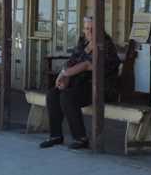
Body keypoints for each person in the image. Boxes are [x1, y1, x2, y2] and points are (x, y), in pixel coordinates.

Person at [39, 16, 120, 150]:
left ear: (100, 30)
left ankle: (81, 138)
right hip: (80, 84)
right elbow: (72, 61)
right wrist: (64, 77)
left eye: (92, 29)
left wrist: (66, 74)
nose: (89, 32)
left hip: (100, 87)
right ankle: (56, 136)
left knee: (67, 97)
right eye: (87, 28)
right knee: (53, 94)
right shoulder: (83, 42)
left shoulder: (105, 45)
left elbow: (89, 65)